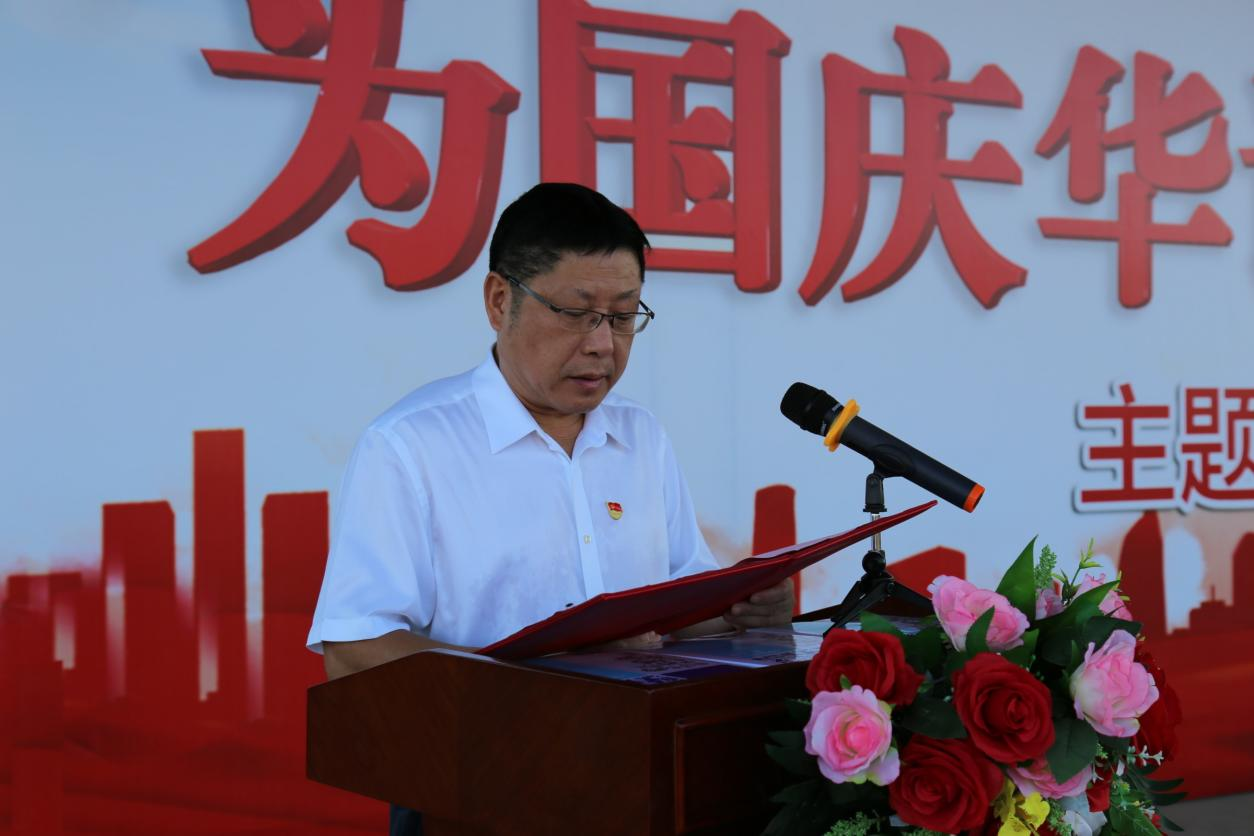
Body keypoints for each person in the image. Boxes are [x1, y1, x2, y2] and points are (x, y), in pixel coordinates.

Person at [305, 183, 793, 834]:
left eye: (624, 316)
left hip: (636, 777)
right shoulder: (410, 444)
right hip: (479, 790)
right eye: (576, 313)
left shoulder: (640, 436)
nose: (602, 344)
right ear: (499, 300)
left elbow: (679, 604)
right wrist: (546, 684)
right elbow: (355, 644)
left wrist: (740, 610)